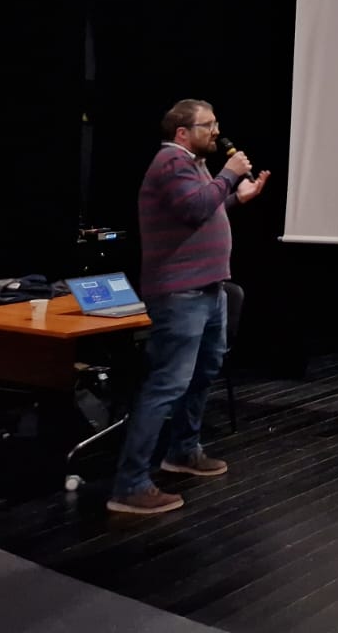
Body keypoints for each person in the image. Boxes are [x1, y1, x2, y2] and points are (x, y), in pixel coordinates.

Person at [107, 99, 270, 515]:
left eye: (216, 123)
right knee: (167, 384)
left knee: (203, 373)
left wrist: (237, 198)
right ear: (182, 132)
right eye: (208, 125)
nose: (216, 131)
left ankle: (182, 451)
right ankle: (129, 485)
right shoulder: (170, 163)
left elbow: (202, 209)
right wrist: (229, 177)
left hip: (209, 290)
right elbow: (196, 207)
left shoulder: (191, 164)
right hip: (180, 294)